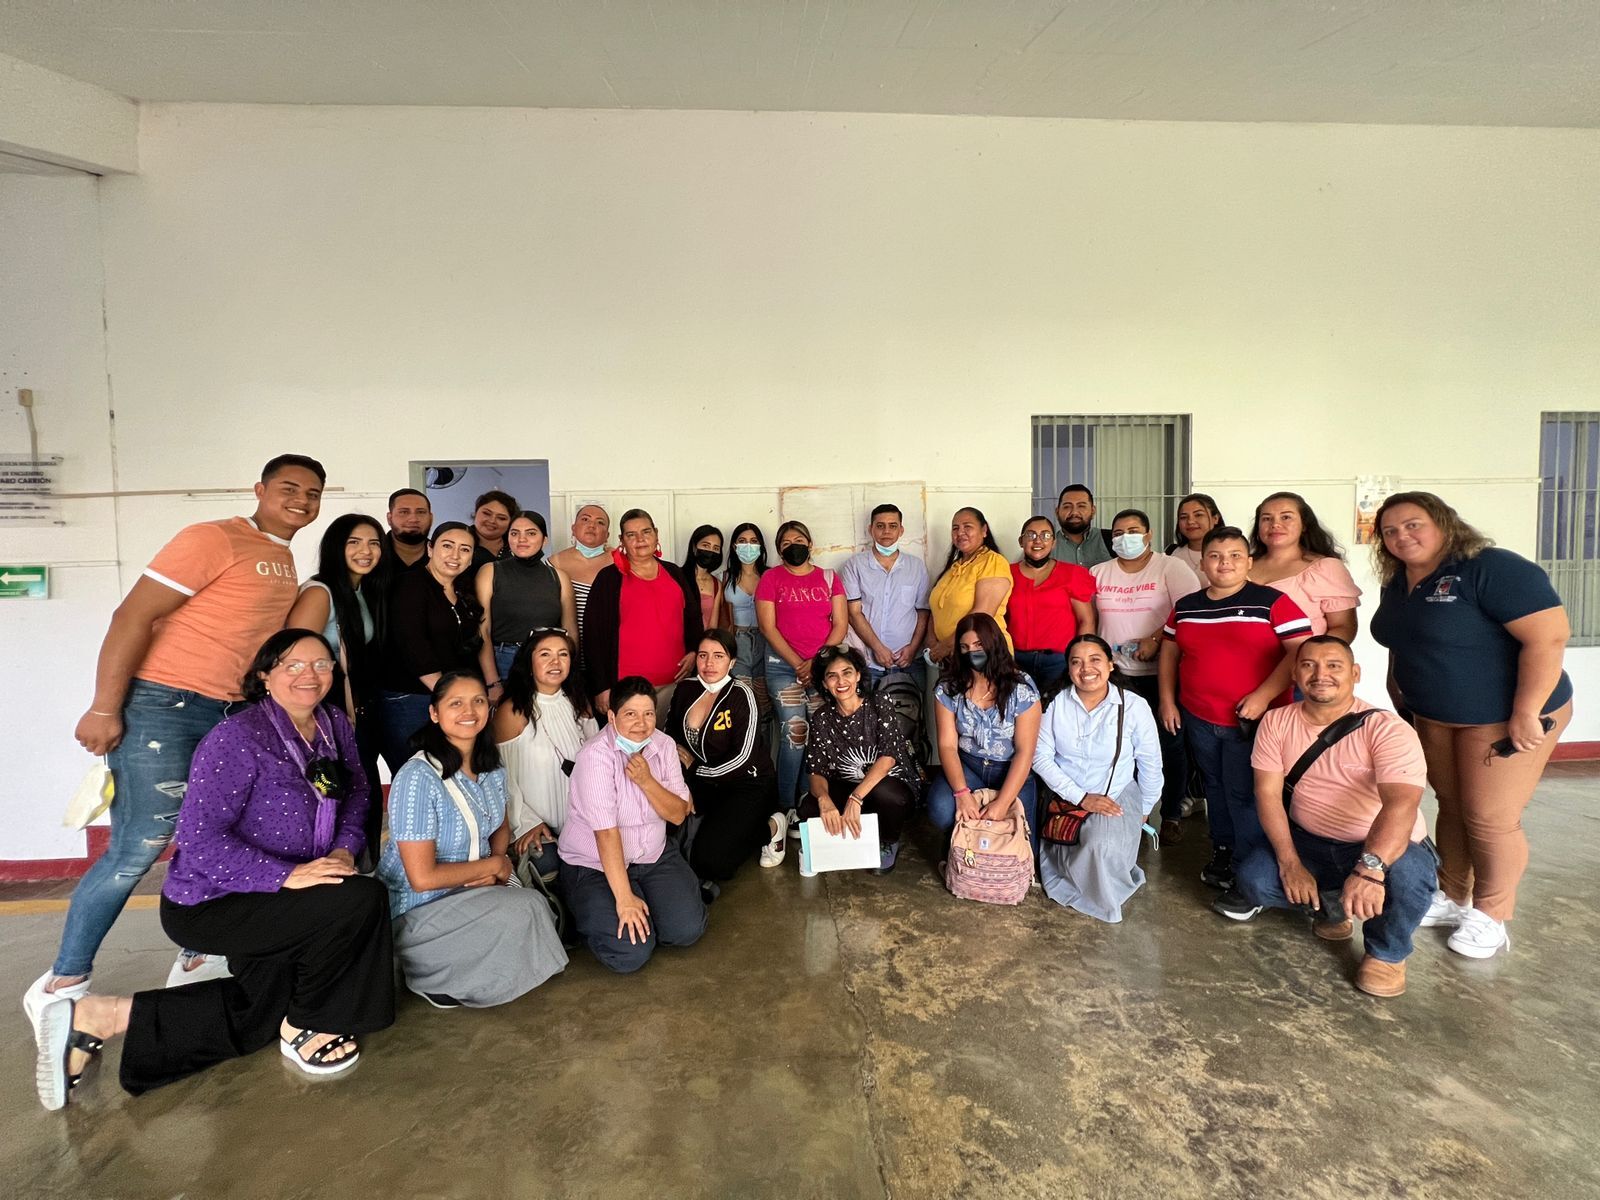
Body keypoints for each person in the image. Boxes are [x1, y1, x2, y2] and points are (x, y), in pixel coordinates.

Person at [31, 629, 393, 1109]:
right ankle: (311, 1021)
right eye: (292, 665)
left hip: (289, 892)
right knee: (361, 900)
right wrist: (286, 876)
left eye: (320, 665)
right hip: (215, 902)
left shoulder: (333, 725)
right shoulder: (237, 738)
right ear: (265, 676)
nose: (309, 675)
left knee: (260, 1012)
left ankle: (103, 1016)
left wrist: (345, 850)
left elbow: (358, 791)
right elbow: (200, 841)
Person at [26, 454, 325, 1025]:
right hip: (165, 705)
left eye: (312, 494)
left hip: (228, 712)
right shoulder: (213, 537)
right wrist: (104, 706)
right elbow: (132, 616)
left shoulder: (282, 560)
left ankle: (198, 950)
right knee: (137, 848)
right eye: (289, 488)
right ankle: (64, 980)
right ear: (259, 489)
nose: (301, 501)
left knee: (213, 836)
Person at [1369, 491, 1573, 959]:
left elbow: (1548, 637)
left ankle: (1492, 915)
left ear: (1444, 523)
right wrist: (1398, 691)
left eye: (1413, 524)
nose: (1402, 536)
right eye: (1390, 531)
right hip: (1433, 715)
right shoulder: (1398, 581)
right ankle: (1452, 895)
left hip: (1502, 717)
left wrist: (1527, 711)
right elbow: (1402, 641)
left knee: (1490, 817)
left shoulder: (1490, 568)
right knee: (1453, 805)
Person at [1217, 637, 1439, 997]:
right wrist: (1290, 863)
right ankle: (1332, 907)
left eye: (1334, 665)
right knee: (1255, 880)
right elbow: (1268, 795)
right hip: (1311, 842)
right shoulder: (1276, 721)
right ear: (1294, 674)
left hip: (1378, 846)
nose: (1321, 674)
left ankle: (1387, 952)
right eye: (1309, 665)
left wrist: (1369, 869)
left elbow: (1401, 804)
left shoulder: (1387, 729)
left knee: (1409, 876)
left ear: (1355, 673)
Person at [376, 672, 567, 1008]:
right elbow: (422, 878)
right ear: (434, 713)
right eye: (456, 703)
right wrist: (493, 866)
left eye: (478, 701)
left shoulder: (490, 766)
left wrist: (496, 870)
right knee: (525, 911)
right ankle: (430, 976)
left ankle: (464, 965)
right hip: (419, 906)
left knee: (536, 911)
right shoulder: (417, 777)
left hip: (473, 888)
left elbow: (501, 828)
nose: (469, 711)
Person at [1158, 526, 1312, 892]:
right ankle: (1223, 849)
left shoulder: (1272, 602)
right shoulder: (1187, 606)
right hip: (1199, 716)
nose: (1224, 563)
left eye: (1234, 556)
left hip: (1253, 721)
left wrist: (1263, 696)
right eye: (1215, 556)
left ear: (1249, 562)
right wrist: (1167, 700)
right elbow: (1169, 653)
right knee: (1214, 785)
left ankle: (1249, 863)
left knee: (1246, 791)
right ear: (1202, 563)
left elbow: (1300, 653)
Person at [558, 676, 708, 973]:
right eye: (630, 714)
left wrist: (646, 781)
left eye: (648, 713)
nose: (641, 723)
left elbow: (678, 814)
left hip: (652, 855)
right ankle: (588, 909)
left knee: (687, 930)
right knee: (631, 953)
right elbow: (606, 833)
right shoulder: (595, 757)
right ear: (612, 717)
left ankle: (648, 906)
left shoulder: (663, 745)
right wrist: (625, 898)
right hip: (595, 865)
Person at [1033, 634, 1162, 923]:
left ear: (1110, 664)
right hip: (1067, 794)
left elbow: (1151, 764)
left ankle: (1101, 886)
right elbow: (1040, 757)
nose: (1086, 669)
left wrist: (1143, 810)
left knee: (1098, 844)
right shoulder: (1054, 703)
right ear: (1068, 669)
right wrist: (1080, 797)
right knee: (1072, 840)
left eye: (1095, 660)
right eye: (1076, 662)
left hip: (1115, 793)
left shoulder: (1133, 706)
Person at [1091, 508, 1201, 843]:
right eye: (1118, 533)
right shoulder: (1099, 572)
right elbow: (1088, 619)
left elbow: (1189, 612)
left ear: (1149, 535)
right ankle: (1129, 816)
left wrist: (1155, 639)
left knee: (1169, 744)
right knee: (1121, 747)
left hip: (1162, 674)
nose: (1125, 538)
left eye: (1133, 531)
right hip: (1116, 675)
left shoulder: (1171, 567)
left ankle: (1170, 815)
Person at [286, 513, 389, 863]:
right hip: (321, 711)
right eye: (354, 542)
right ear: (335, 547)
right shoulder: (321, 592)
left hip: (351, 710)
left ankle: (359, 869)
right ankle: (327, 868)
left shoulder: (361, 591)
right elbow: (292, 657)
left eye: (374, 543)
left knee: (360, 791)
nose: (366, 551)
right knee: (328, 790)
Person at [666, 630, 787, 885]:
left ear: (731, 662)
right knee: (671, 837)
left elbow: (743, 757)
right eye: (703, 655)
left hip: (746, 784)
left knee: (712, 862)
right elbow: (670, 741)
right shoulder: (685, 690)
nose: (709, 663)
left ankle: (773, 827)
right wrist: (682, 783)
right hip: (703, 783)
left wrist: (695, 769)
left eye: (718, 656)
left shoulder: (742, 695)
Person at [925, 614, 1042, 854]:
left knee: (1020, 842)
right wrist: (962, 793)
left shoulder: (1022, 687)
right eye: (964, 647)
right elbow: (947, 746)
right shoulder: (948, 688)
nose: (972, 653)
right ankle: (961, 846)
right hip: (969, 766)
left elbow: (1025, 752)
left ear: (993, 644)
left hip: (1009, 769)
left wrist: (1003, 803)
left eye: (979, 645)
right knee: (941, 808)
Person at [801, 645, 922, 873]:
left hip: (889, 785)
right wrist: (824, 799)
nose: (841, 681)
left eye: (847, 672)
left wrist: (855, 799)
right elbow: (816, 770)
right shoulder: (821, 717)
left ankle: (888, 840)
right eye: (832, 676)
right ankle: (850, 837)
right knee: (809, 806)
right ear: (824, 684)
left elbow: (888, 758)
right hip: (850, 786)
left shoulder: (879, 702)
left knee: (888, 795)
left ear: (858, 675)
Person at [756, 520, 848, 810]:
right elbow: (768, 627)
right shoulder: (771, 578)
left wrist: (816, 663)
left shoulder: (829, 578)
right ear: (779, 550)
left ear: (810, 544)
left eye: (798, 541)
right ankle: (786, 807)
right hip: (783, 668)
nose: (793, 546)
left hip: (823, 668)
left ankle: (809, 801)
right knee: (795, 734)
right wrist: (800, 664)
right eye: (786, 543)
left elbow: (841, 624)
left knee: (818, 736)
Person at [492, 629, 598, 882]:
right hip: (536, 821)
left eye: (563, 654)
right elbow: (503, 779)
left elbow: (599, 760)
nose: (555, 662)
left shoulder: (579, 701)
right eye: (545, 654)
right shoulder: (513, 711)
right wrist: (527, 822)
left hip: (583, 815)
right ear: (529, 663)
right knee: (547, 863)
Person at [378, 521, 483, 774]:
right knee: (417, 774)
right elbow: (413, 646)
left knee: (448, 773)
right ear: (430, 548)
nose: (455, 555)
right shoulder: (410, 585)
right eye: (447, 546)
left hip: (445, 697)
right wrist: (449, 697)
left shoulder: (463, 589)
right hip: (411, 698)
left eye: (465, 549)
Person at [582, 509, 704, 721]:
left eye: (646, 532)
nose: (640, 539)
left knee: (670, 741)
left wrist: (694, 651)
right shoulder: (608, 579)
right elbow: (593, 636)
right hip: (626, 690)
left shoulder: (675, 573)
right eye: (631, 535)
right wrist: (601, 687)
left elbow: (693, 619)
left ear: (656, 534)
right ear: (622, 540)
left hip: (674, 686)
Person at [476, 510, 577, 695]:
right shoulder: (490, 571)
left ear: (544, 540)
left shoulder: (559, 577)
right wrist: (492, 682)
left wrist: (571, 675)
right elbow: (483, 630)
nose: (522, 539)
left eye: (531, 533)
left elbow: (570, 630)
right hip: (504, 661)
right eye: (515, 533)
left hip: (549, 662)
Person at [1249, 492, 1362, 640]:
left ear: (1304, 525)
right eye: (1266, 518)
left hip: (1303, 654)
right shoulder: (1240, 566)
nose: (1275, 524)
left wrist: (1314, 654)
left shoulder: (1326, 568)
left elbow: (1343, 627)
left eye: (1286, 517)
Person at [840, 503, 931, 686]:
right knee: (869, 705)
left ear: (901, 530)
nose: (886, 531)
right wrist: (878, 648)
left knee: (911, 706)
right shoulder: (855, 565)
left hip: (910, 662)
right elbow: (853, 613)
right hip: (869, 662)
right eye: (880, 526)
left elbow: (923, 612)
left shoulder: (916, 566)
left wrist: (912, 648)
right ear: (871, 529)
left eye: (893, 526)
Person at [1007, 515, 1096, 690]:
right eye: (1031, 535)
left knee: (1056, 706)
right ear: (1021, 541)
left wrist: (1080, 659)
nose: (1038, 540)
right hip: (1016, 660)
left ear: (1054, 542)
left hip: (1059, 661)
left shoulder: (1072, 574)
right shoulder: (1007, 574)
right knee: (1019, 707)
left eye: (1045, 535)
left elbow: (1086, 620)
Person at [926, 507, 1013, 664]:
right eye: (955, 528)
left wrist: (946, 646)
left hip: (983, 655)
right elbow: (936, 609)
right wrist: (933, 644)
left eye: (967, 526)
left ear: (984, 530)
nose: (960, 532)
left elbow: (982, 615)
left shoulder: (993, 562)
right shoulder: (953, 567)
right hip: (950, 658)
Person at [719, 522, 772, 716]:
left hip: (768, 639)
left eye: (753, 541)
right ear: (734, 546)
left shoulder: (771, 575)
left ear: (761, 546)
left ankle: (764, 735)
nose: (748, 546)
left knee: (764, 698)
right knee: (741, 696)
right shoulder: (724, 578)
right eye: (742, 541)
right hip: (736, 640)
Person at [548, 503, 612, 655]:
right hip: (567, 649)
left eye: (600, 522)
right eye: (585, 519)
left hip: (610, 648)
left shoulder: (620, 561)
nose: (592, 525)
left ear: (607, 535)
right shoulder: (555, 563)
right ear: (573, 528)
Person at [459, 488, 518, 591]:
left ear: (511, 523)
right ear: (475, 513)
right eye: (486, 513)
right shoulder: (459, 543)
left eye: (501, 518)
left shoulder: (517, 546)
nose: (492, 521)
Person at [1053, 484, 1113, 569]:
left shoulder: (1111, 540)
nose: (1074, 512)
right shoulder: (1047, 546)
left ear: (1093, 511)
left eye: (1081, 506)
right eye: (1067, 507)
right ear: (1057, 512)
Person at [1167, 493, 1224, 576]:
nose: (1190, 521)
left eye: (1198, 515)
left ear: (1215, 518)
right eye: (1183, 517)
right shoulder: (1171, 553)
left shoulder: (1231, 553)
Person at [682, 524, 726, 633]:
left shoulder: (717, 584)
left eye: (716, 548)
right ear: (694, 547)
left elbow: (713, 626)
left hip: (704, 641)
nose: (710, 551)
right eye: (706, 545)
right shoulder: (677, 576)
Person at [385, 487, 432, 572]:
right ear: (389, 518)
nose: (413, 519)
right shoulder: (372, 554)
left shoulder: (444, 556)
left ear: (431, 518)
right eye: (404, 512)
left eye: (420, 512)